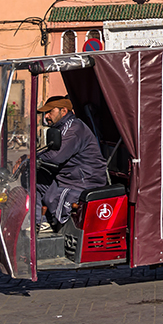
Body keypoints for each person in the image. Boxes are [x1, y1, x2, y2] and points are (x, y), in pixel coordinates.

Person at [35, 96, 108, 233]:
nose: (47, 116)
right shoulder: (61, 128)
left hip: (83, 181)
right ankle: (40, 223)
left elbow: (56, 156)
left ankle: (54, 227)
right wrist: (31, 158)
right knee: (34, 179)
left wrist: (32, 159)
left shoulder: (73, 128)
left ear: (64, 111)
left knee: (54, 196)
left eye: (50, 111)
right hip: (68, 177)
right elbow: (50, 150)